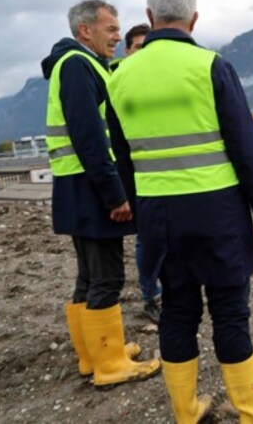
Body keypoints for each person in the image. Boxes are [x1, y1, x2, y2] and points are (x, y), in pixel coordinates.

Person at [108, 0, 253, 423]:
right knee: (230, 312)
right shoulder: (211, 66)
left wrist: (142, 213)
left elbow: (124, 159)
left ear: (150, 19)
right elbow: (246, 150)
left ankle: (187, 411)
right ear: (193, 18)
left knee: (177, 310)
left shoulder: (120, 76)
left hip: (160, 217)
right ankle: (252, 412)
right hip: (218, 214)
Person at [41, 0, 160, 389]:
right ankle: (109, 364)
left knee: (89, 275)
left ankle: (93, 355)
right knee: (106, 276)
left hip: (77, 186)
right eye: (111, 28)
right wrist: (114, 194)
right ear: (85, 30)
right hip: (90, 188)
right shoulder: (77, 65)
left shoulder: (81, 64)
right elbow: (89, 137)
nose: (116, 36)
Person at [111, 22, 163, 323]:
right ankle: (151, 296)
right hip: (132, 179)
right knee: (146, 241)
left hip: (160, 179)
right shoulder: (117, 81)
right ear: (127, 50)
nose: (145, 54)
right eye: (139, 47)